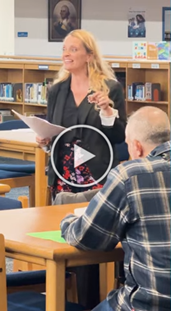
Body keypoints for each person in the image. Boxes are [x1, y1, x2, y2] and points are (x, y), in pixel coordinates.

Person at [61, 106, 171, 311]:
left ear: (137, 147)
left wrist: (67, 221)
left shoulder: (130, 175)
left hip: (149, 304)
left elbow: (85, 237)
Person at [36, 29, 126, 200]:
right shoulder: (56, 90)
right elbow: (52, 131)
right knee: (61, 222)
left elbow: (119, 136)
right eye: (64, 49)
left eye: (73, 49)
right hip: (62, 172)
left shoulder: (109, 89)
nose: (66, 54)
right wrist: (45, 142)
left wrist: (107, 111)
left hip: (97, 171)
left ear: (89, 56)